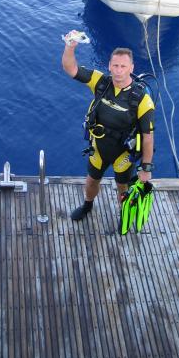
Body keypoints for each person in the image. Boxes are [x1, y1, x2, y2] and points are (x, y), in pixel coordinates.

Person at [62, 35, 155, 221]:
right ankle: (87, 205)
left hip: (124, 153)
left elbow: (148, 137)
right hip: (100, 146)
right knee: (91, 180)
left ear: (131, 68)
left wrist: (146, 169)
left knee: (122, 186)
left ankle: (125, 212)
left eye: (123, 66)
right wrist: (70, 46)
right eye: (115, 66)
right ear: (109, 66)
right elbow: (70, 69)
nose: (118, 71)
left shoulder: (142, 99)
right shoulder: (100, 82)